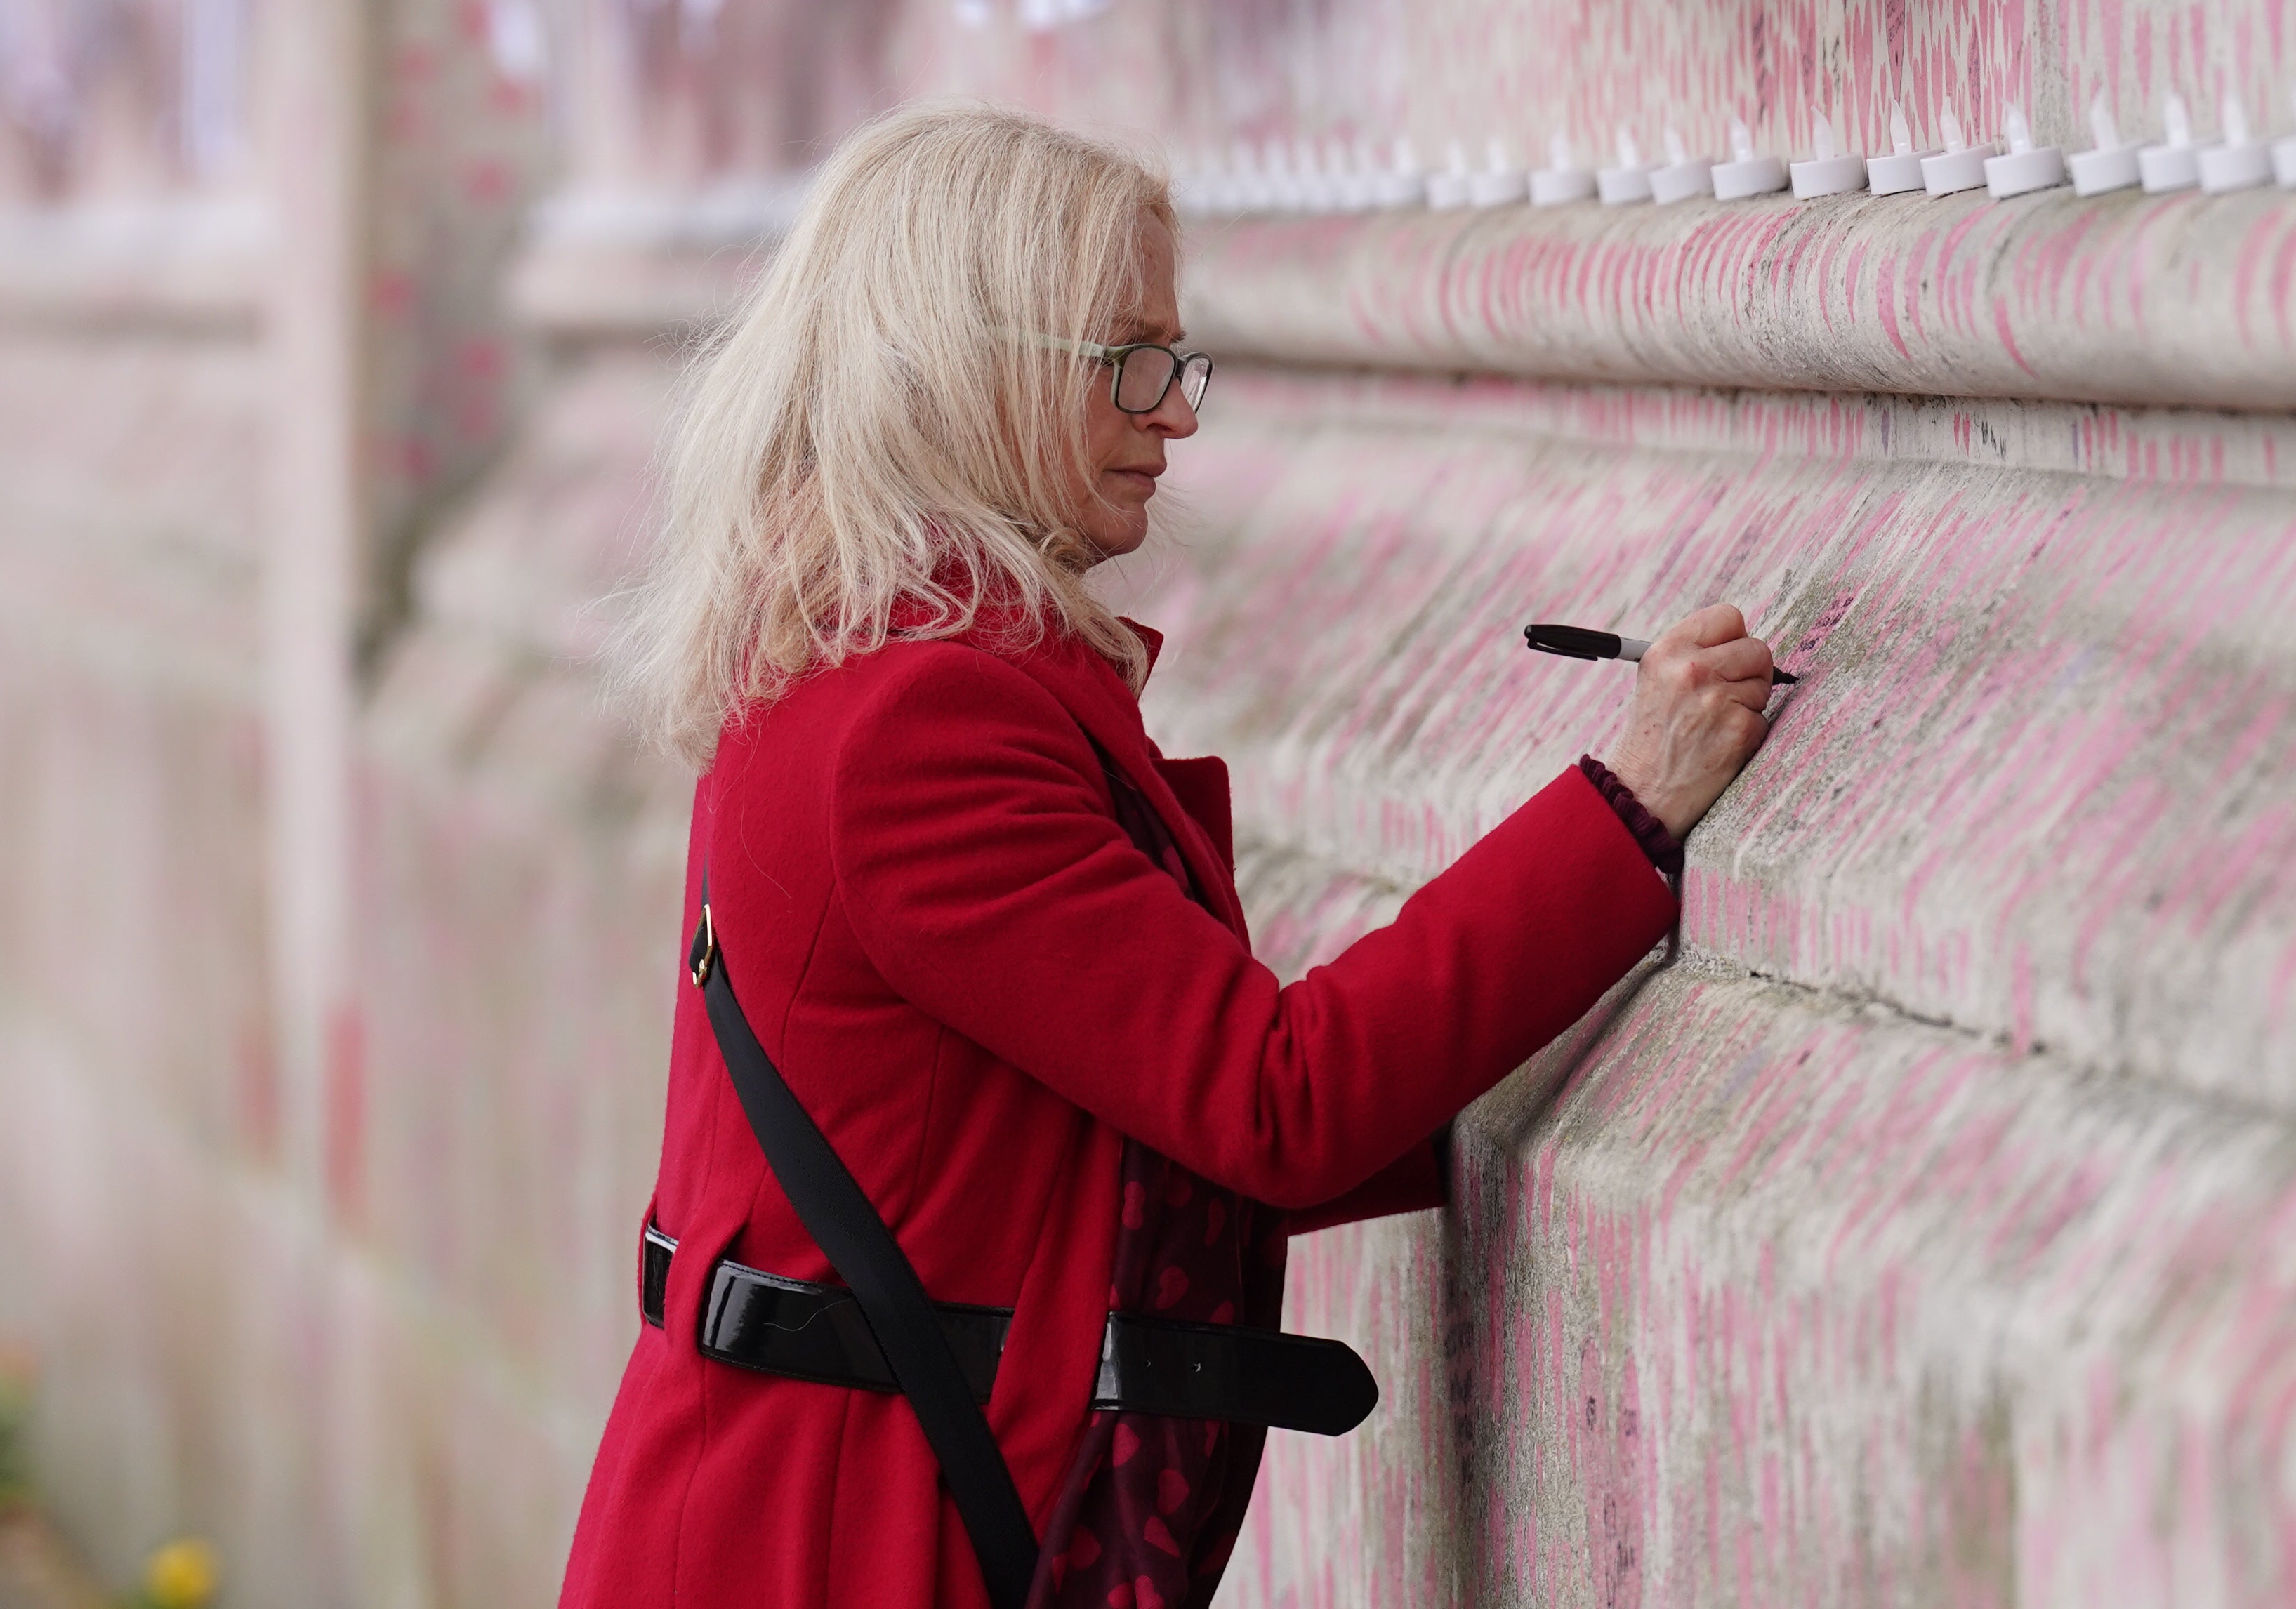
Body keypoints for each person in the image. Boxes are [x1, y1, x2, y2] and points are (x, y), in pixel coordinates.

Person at [558, 102, 1779, 1609]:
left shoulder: (854, 658)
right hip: (838, 1542)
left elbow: (1109, 1126)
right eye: (1129, 359)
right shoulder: (915, 722)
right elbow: (1273, 1099)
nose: (1176, 413)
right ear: (972, 368)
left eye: (1176, 360)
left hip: (816, 1507)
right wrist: (1632, 800)